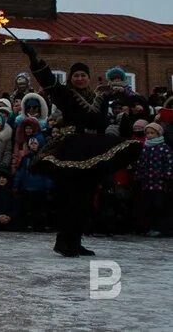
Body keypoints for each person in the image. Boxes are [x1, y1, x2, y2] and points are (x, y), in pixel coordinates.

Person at [21, 44, 142, 256]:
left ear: (88, 77)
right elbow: (48, 81)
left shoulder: (102, 97)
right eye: (75, 75)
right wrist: (34, 59)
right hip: (72, 149)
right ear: (71, 78)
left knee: (86, 198)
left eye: (83, 75)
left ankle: (75, 241)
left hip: (93, 150)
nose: (79, 78)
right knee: (70, 197)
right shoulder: (65, 94)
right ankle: (64, 241)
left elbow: (110, 116)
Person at [134, 123, 172, 236]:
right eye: (147, 133)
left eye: (152, 133)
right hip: (146, 182)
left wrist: (168, 177)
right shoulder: (145, 147)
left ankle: (159, 228)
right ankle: (148, 227)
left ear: (158, 134)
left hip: (159, 183)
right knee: (147, 205)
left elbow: (169, 163)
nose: (149, 135)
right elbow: (140, 163)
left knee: (159, 205)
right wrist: (138, 175)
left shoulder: (164, 148)